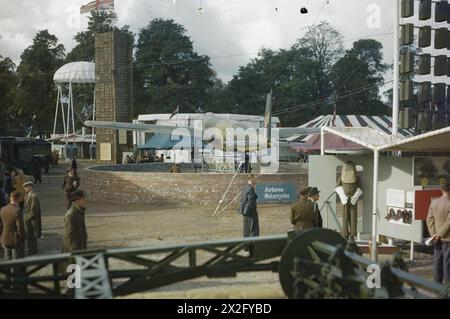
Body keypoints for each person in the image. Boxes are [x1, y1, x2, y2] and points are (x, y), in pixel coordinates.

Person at [426, 182, 450, 284]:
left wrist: (434, 234)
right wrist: (439, 234)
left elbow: (429, 219)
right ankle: (447, 286)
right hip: (447, 237)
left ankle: (436, 285)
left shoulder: (434, 202)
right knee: (447, 262)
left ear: (441, 189)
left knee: (437, 260)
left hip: (436, 238)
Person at [0, 191, 26, 260]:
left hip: (5, 238)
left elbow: (1, 225)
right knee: (16, 260)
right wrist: (22, 238)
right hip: (15, 239)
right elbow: (20, 227)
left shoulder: (3, 209)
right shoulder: (17, 210)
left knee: (7, 260)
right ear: (18, 198)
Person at [23, 182, 42, 255]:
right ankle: (31, 250)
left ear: (30, 187)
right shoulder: (28, 195)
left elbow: (34, 210)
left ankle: (31, 250)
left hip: (31, 220)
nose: (25, 189)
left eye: (26, 187)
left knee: (31, 235)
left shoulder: (33, 196)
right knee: (29, 235)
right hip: (29, 219)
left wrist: (26, 217)